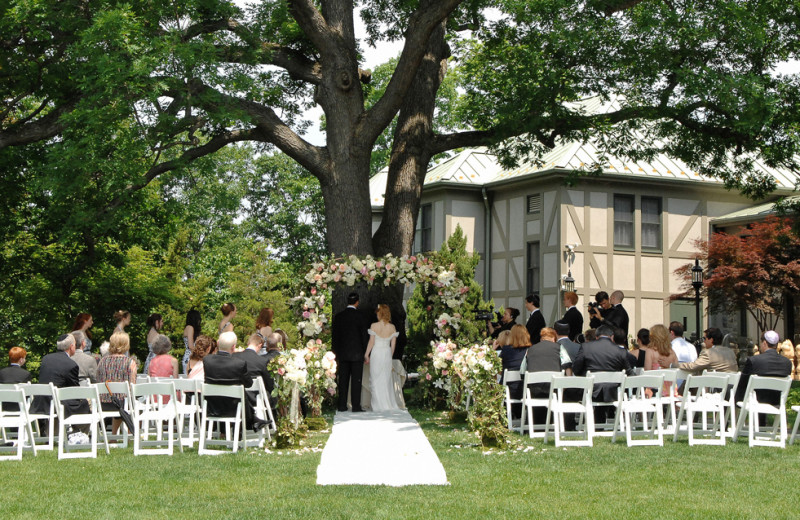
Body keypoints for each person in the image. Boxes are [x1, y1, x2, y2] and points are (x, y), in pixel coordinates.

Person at [203, 331, 267, 431]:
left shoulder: (207, 360)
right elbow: (249, 384)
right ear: (233, 347)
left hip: (212, 406)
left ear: (218, 343)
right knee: (241, 393)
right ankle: (253, 420)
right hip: (234, 409)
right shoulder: (239, 364)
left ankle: (254, 420)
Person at [572, 324, 634, 423]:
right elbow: (629, 373)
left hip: (590, 391)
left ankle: (575, 424)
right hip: (613, 391)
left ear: (596, 336)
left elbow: (576, 369)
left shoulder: (586, 347)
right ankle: (604, 423)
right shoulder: (620, 351)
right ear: (612, 336)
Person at [30, 334, 91, 431]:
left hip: (42, 402)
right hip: (58, 403)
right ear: (71, 347)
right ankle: (80, 434)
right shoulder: (71, 364)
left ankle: (55, 433)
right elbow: (74, 390)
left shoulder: (46, 359)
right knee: (85, 404)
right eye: (75, 345)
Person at [331, 292, 370, 412]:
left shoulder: (339, 316)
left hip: (342, 354)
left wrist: (335, 352)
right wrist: (366, 352)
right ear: (357, 302)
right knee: (356, 381)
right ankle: (356, 406)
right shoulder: (361, 316)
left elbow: (335, 336)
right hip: (357, 353)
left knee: (343, 380)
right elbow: (364, 336)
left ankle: (342, 405)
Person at [734, 330, 792, 408]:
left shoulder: (754, 360)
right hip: (777, 402)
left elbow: (743, 382)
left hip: (756, 401)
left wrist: (737, 401)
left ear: (764, 343)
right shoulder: (787, 363)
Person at [97, 332, 138, 435]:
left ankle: (114, 435)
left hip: (103, 403)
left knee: (121, 400)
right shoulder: (130, 363)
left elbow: (98, 380)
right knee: (131, 401)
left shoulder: (102, 362)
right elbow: (132, 386)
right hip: (122, 404)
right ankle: (131, 433)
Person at [364, 304, 399, 411]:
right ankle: (387, 404)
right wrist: (390, 355)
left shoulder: (374, 325)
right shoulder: (392, 327)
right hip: (386, 352)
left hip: (376, 352)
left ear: (380, 313)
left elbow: (371, 341)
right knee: (386, 379)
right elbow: (393, 345)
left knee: (375, 378)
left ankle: (378, 405)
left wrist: (366, 354)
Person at [235, 333, 274, 419]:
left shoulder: (234, 357)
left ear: (248, 343)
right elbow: (269, 384)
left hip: (237, 397)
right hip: (256, 398)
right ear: (260, 345)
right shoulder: (261, 361)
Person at [499, 324, 531, 419]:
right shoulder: (530, 350)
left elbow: (499, 370)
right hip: (525, 388)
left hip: (508, 389)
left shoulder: (506, 350)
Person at [182, 310, 202, 374]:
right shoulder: (190, 327)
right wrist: (201, 354)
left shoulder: (187, 327)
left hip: (190, 356)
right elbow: (191, 346)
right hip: (190, 357)